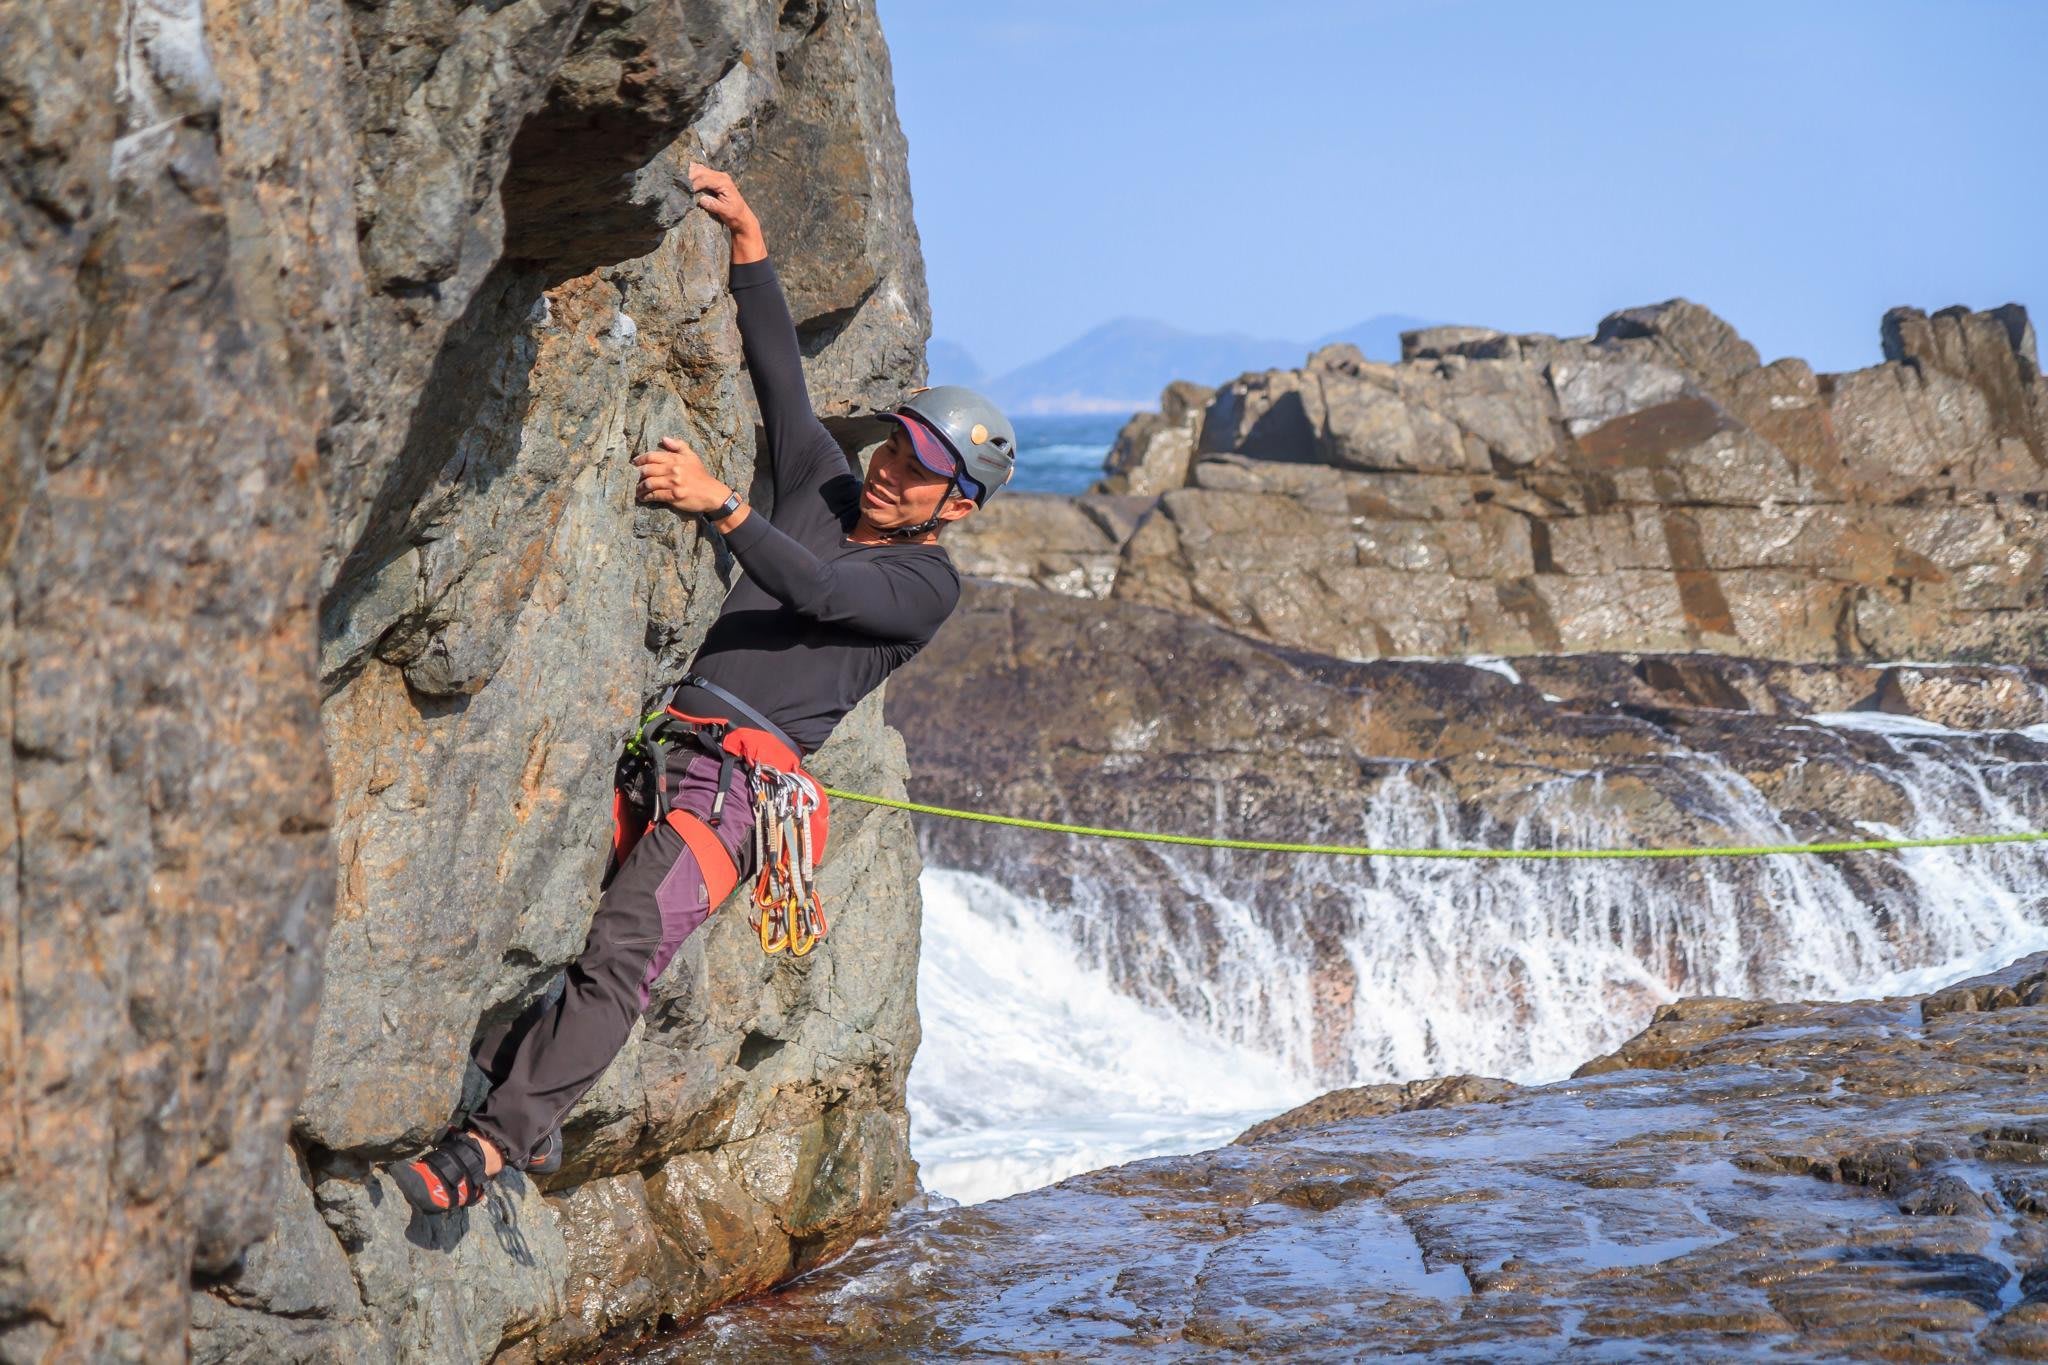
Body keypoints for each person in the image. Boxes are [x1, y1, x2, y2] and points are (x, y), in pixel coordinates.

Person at [390, 163, 1016, 1216]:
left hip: (737, 796)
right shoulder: (822, 483)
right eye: (895, 446)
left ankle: (495, 1146)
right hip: (662, 751)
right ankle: (508, 1098)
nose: (887, 468)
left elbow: (814, 591)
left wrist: (720, 506)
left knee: (621, 951)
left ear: (953, 507)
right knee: (550, 933)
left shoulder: (922, 587)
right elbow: (780, 377)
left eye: (916, 468)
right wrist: (751, 244)